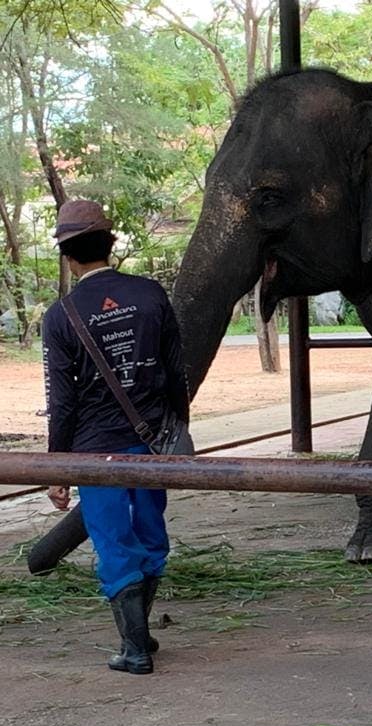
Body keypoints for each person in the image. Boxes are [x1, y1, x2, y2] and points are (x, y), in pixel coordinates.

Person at [41, 200, 189, 675]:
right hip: (151, 442)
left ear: (68, 256)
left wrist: (58, 467)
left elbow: (62, 401)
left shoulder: (61, 315)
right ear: (110, 243)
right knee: (150, 532)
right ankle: (139, 634)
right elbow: (176, 374)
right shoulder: (150, 294)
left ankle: (135, 648)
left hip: (94, 449)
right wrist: (176, 435)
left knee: (112, 541)